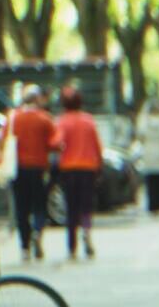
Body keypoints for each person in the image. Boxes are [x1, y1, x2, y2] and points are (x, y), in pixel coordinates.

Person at [7, 84, 59, 260]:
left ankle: (24, 246)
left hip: (17, 168)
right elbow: (55, 143)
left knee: (21, 206)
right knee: (39, 204)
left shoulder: (13, 118)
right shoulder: (44, 118)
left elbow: (3, 142)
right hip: (38, 168)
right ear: (37, 99)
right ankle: (37, 231)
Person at [54, 86, 103, 261]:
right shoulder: (88, 120)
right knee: (86, 205)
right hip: (88, 168)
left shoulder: (62, 121)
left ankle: (71, 245)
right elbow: (97, 146)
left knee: (71, 207)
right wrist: (99, 165)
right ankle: (87, 231)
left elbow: (56, 142)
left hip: (69, 168)